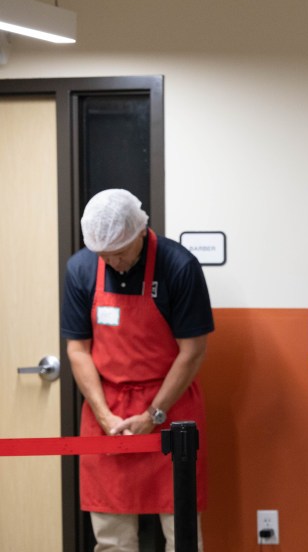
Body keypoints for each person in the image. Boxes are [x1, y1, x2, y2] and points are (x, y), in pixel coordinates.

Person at [60, 189, 213, 552]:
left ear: (140, 233)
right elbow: (77, 349)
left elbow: (192, 351)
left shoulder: (178, 266)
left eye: (120, 252)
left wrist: (153, 413)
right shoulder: (81, 269)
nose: (112, 262)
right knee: (111, 536)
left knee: (182, 533)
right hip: (106, 408)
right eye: (104, 255)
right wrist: (103, 414)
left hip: (171, 409)